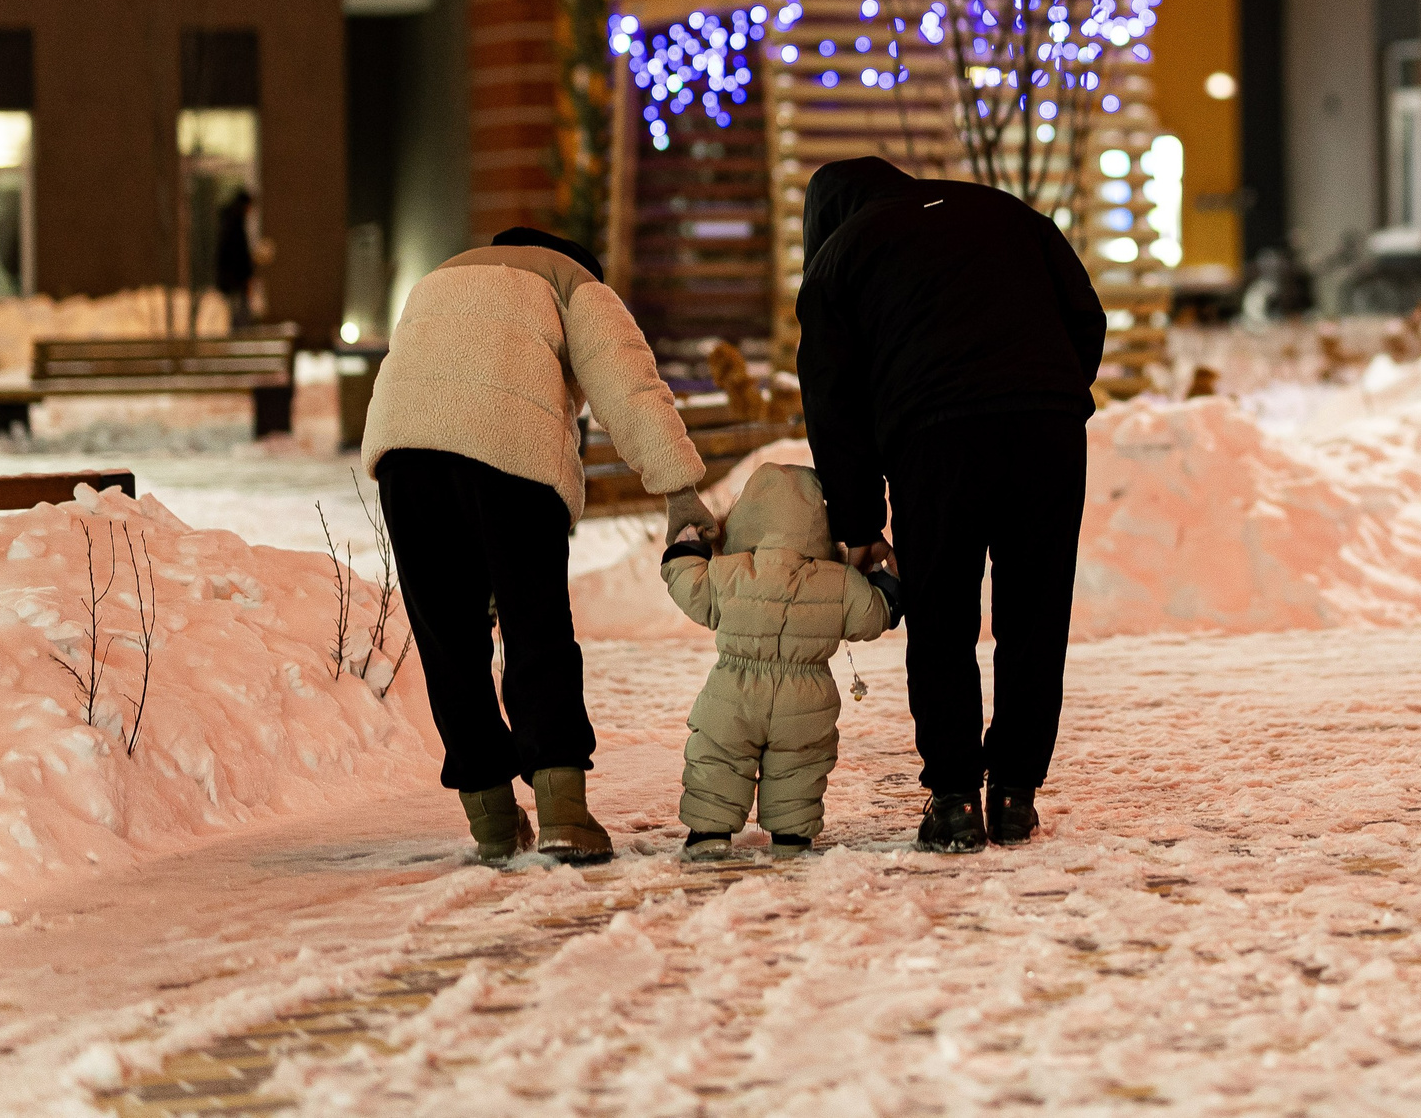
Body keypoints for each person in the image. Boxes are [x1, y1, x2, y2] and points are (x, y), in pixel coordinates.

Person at [362, 226, 718, 866]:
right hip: (511, 452)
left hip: (403, 455)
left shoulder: (439, 278)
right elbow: (629, 387)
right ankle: (564, 815)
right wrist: (680, 491)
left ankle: (494, 823)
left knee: (449, 644)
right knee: (536, 630)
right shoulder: (574, 282)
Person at [794, 157, 1105, 854]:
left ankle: (955, 800)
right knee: (1035, 611)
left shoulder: (840, 257)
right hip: (1047, 426)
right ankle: (1016, 795)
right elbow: (1085, 316)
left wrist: (859, 522)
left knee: (941, 615)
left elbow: (833, 404)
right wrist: (1047, 391)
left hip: (936, 437)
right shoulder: (1008, 212)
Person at [660, 462, 905, 855]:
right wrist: (886, 580)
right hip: (806, 703)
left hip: (733, 694)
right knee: (799, 767)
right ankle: (792, 840)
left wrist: (685, 548)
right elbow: (875, 614)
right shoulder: (838, 582)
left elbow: (689, 584)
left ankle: (708, 836)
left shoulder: (729, 572)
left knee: (719, 760)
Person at [214, 189, 257, 329]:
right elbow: (240, 255)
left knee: (234, 312)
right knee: (238, 315)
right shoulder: (236, 225)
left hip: (229, 278)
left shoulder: (227, 222)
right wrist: (247, 276)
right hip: (235, 279)